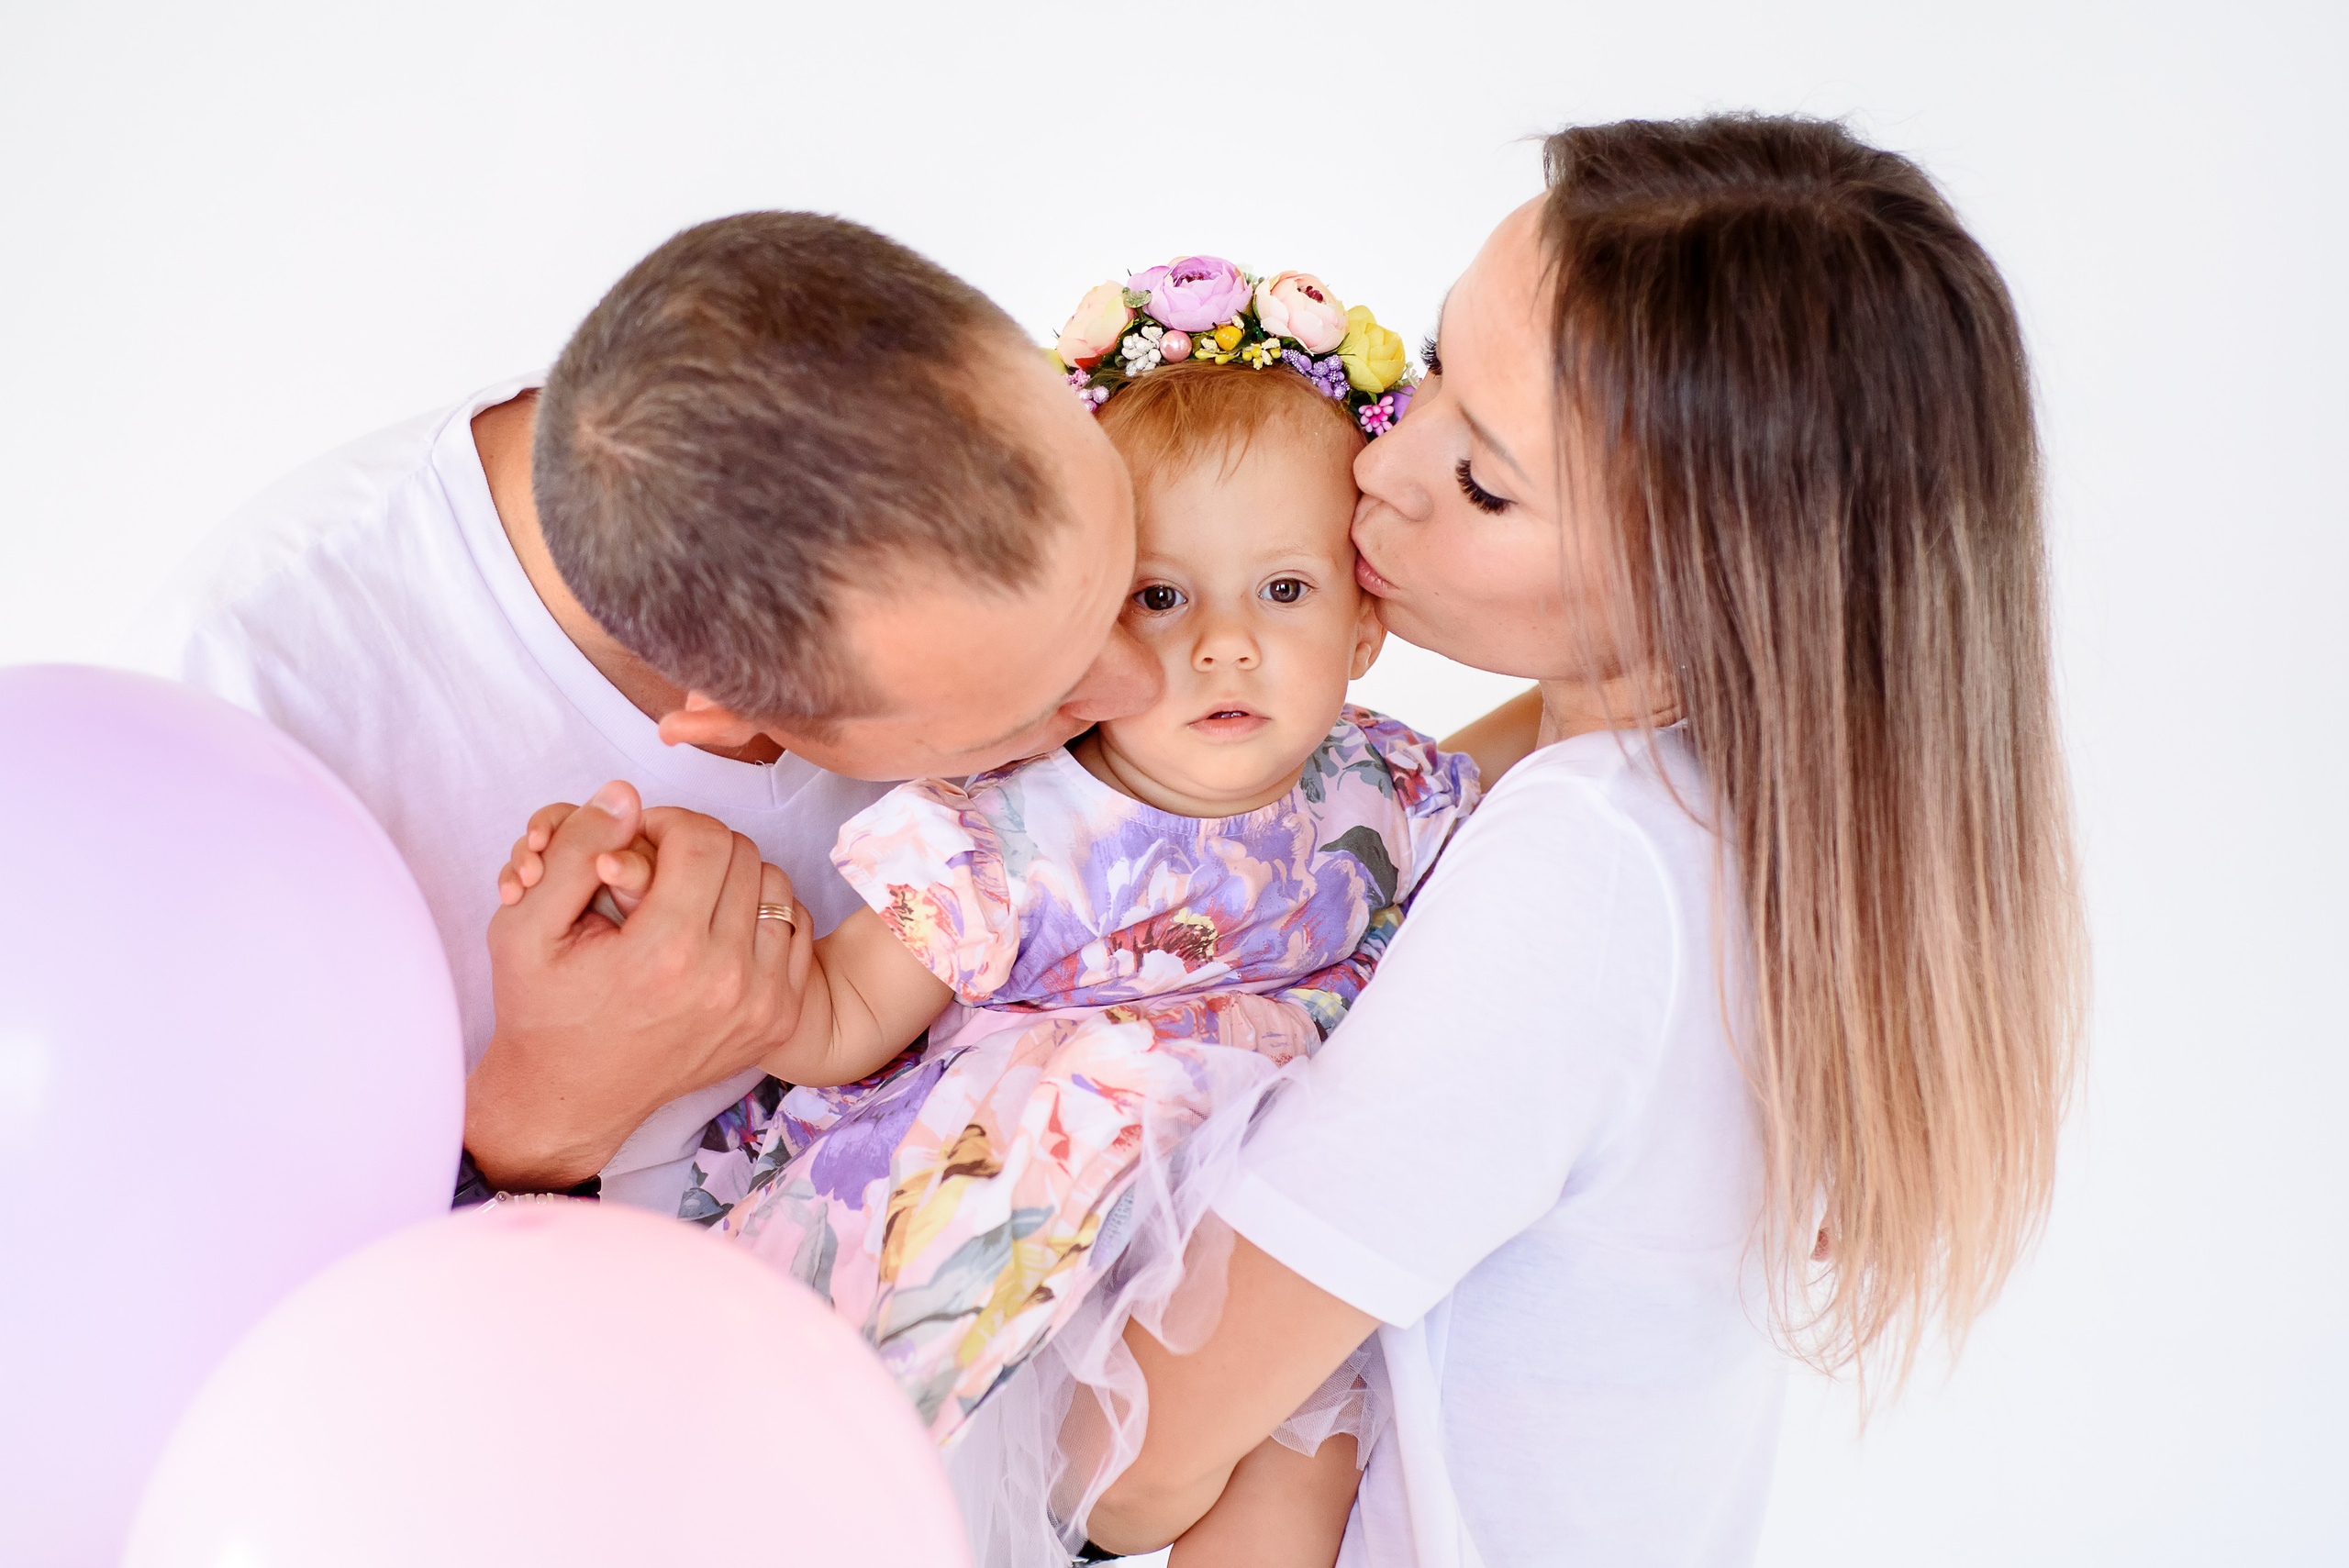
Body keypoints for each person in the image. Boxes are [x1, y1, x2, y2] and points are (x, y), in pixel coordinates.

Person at [1067, 116, 2087, 1566]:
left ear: (1717, 584)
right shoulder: (1740, 824)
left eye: (1487, 483)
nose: (1383, 466)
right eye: (1428, 372)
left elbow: (1127, 1458)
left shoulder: (1591, 867)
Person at [500, 328, 1475, 1566]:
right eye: (1161, 598)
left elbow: (1527, 860)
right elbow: (845, 1018)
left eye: (1284, 591)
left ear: (1365, 627)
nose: (1223, 642)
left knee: (1306, 1447)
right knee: (899, 1498)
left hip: (1256, 1231)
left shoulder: (1389, 786)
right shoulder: (1014, 826)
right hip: (1036, 1237)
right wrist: (661, 891)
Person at [127, 212, 1157, 1207]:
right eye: (1042, 702)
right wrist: (544, 1115)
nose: (1143, 684)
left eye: (1138, 589)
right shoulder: (239, 713)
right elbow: (204, 1287)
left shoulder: (917, 448)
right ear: (723, 716)